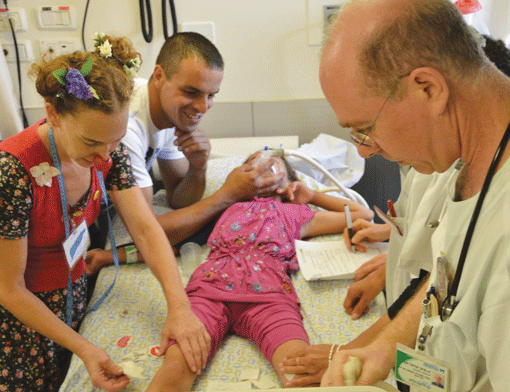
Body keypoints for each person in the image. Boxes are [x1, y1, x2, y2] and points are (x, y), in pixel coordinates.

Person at [319, 0, 510, 390]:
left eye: (364, 128)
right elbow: (447, 280)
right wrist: (382, 349)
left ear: (428, 89)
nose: (364, 150)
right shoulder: (468, 162)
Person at [0, 35, 209, 391]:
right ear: (53, 114)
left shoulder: (108, 150)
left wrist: (179, 306)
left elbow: (145, 229)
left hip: (76, 294)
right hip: (25, 324)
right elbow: (10, 289)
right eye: (92, 143)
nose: (105, 158)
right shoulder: (13, 172)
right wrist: (84, 348)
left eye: (115, 141)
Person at [143, 150, 374, 392]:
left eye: (271, 163)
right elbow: (162, 242)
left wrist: (313, 195)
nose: (260, 165)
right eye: (252, 163)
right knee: (175, 369)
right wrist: (109, 256)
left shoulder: (294, 214)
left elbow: (362, 214)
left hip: (269, 297)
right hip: (209, 291)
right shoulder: (223, 207)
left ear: (287, 182)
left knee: (302, 373)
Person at [124, 31, 223, 210]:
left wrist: (198, 168)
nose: (203, 107)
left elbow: (178, 199)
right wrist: (226, 197)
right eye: (191, 92)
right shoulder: (127, 127)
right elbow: (145, 230)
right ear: (159, 76)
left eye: (211, 95)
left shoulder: (170, 113)